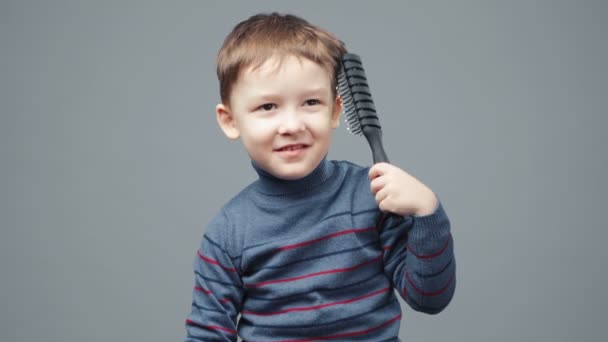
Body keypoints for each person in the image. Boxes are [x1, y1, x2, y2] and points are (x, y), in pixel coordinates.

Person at [184, 12, 455, 341]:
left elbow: (429, 298)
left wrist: (428, 214)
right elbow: (207, 334)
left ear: (336, 111)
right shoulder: (229, 233)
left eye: (311, 102)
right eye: (268, 107)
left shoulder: (373, 197)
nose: (292, 125)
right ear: (230, 120)